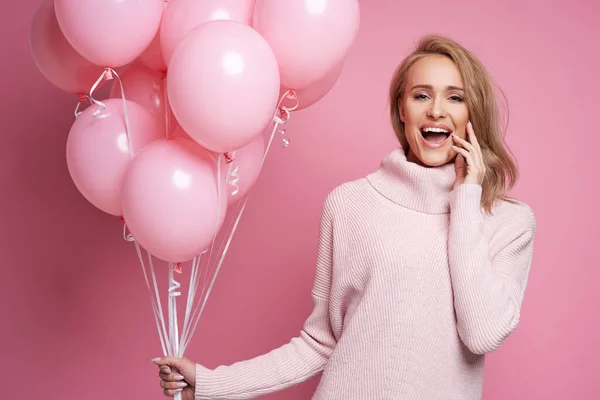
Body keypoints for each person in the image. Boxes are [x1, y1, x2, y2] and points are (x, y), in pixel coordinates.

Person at [152, 34, 537, 400]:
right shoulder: (350, 205)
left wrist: (466, 198)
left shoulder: (507, 222)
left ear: (473, 112)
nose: (436, 109)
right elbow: (320, 342)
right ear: (402, 109)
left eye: (455, 98)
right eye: (421, 95)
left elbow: (483, 333)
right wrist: (210, 384)